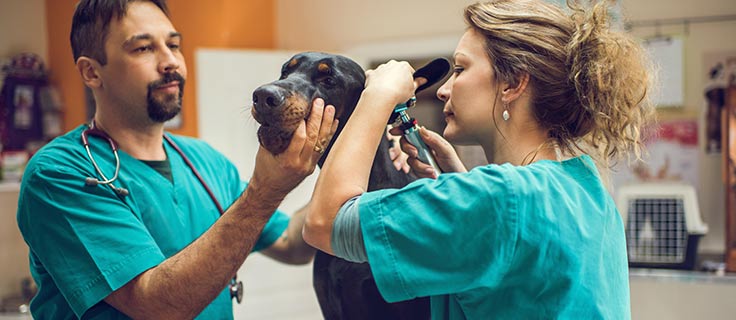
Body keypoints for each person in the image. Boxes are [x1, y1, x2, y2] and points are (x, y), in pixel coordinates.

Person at [303, 0, 655, 319]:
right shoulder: (586, 189)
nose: (443, 89)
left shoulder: (499, 200)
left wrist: (377, 94)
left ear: (512, 83)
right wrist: (457, 182)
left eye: (459, 69)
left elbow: (324, 222)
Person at [15, 0, 338, 318]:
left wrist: (347, 164)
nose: (170, 61)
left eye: (174, 44)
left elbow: (292, 244)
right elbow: (157, 307)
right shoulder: (60, 173)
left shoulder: (205, 161)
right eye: (143, 48)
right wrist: (265, 191)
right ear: (91, 72)